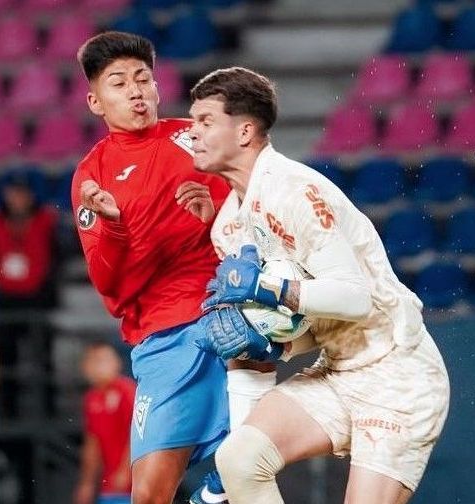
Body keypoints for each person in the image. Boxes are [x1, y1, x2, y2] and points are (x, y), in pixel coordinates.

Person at [188, 67, 451, 504]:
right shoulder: (228, 229)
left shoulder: (298, 192)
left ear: (246, 131)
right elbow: (289, 331)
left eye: (205, 121)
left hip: (396, 373)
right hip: (337, 370)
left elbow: (356, 299)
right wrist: (273, 343)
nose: (192, 133)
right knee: (238, 460)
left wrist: (271, 290)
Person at [71, 31, 279, 504]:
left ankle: (219, 488)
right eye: (119, 82)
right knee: (148, 496)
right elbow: (107, 283)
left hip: (226, 313)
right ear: (95, 101)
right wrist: (114, 228)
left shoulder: (198, 137)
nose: (136, 91)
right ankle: (214, 492)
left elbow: (261, 213)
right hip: (162, 337)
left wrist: (218, 217)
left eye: (143, 78)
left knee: (256, 458)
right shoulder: (93, 175)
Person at [0, 168, 59, 417]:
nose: (17, 199)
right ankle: (8, 414)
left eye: (22, 193)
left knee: (43, 362)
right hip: (6, 302)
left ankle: (47, 413)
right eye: (13, 193)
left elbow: (56, 257)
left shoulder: (46, 220)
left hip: (37, 301)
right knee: (6, 363)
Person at [74, 341, 137, 504]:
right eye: (93, 361)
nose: (98, 366)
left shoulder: (127, 390)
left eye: (103, 360)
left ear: (117, 362)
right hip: (109, 484)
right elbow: (92, 444)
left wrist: (126, 471)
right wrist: (86, 483)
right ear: (84, 367)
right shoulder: (91, 399)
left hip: (135, 481)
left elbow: (138, 432)